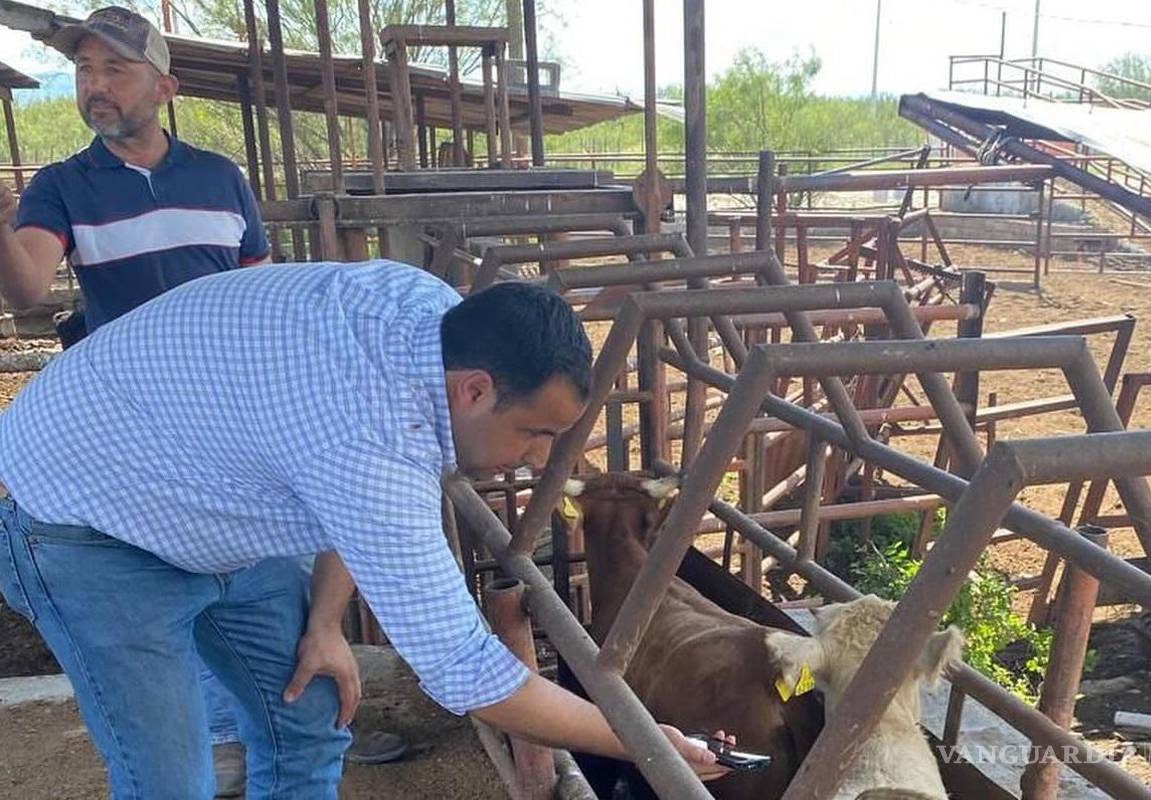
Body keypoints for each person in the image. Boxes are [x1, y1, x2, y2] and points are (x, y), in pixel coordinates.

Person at [0, 263, 730, 797]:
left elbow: (342, 484)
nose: (539, 459)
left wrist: (325, 622)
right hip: (81, 524)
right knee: (170, 782)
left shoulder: (429, 315)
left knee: (310, 712)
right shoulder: (372, 438)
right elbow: (467, 672)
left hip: (201, 492)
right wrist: (641, 741)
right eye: (534, 433)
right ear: (474, 389)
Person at [0, 7, 377, 793]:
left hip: (231, 449)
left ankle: (227, 727)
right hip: (131, 452)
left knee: (294, 707)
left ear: (165, 87)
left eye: (115, 70)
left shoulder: (219, 179)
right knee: (180, 754)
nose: (94, 87)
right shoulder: (64, 187)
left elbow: (257, 297)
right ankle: (206, 733)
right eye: (84, 72)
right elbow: (29, 286)